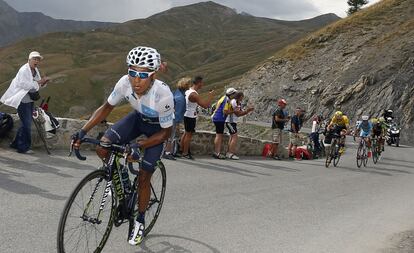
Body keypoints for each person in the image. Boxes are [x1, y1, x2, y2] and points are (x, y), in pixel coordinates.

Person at [72, 46, 174, 246]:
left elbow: (166, 133)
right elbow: (106, 108)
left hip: (157, 131)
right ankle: (123, 180)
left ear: (152, 76)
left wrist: (139, 145)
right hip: (137, 119)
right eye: (132, 73)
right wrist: (82, 132)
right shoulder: (123, 84)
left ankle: (140, 219)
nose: (136, 80)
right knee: (102, 147)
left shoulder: (163, 94)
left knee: (144, 176)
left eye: (142, 75)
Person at [0, 51, 50, 154]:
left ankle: (16, 143)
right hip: (22, 101)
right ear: (29, 60)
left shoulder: (35, 70)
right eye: (34, 59)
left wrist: (43, 83)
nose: (36, 61)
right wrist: (39, 82)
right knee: (27, 124)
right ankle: (23, 147)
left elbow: (36, 86)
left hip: (30, 100)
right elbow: (25, 85)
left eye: (38, 59)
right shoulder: (24, 70)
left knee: (25, 123)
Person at [179, 76, 214, 159]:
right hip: (190, 115)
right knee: (189, 135)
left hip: (186, 113)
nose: (203, 84)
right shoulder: (194, 94)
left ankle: (181, 149)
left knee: (186, 133)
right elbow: (205, 105)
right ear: (199, 83)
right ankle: (185, 153)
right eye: (202, 83)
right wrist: (211, 96)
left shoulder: (188, 91)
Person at [163, 77, 191, 160]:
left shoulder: (176, 92)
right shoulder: (181, 98)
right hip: (174, 118)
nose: (190, 86)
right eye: (189, 84)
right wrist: (178, 122)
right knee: (171, 136)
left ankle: (171, 151)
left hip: (169, 116)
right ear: (186, 86)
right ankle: (167, 152)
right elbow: (178, 111)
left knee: (171, 136)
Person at [224, 91, 254, 160]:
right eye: (242, 97)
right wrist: (247, 111)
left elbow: (240, 113)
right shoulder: (234, 101)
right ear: (239, 96)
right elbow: (238, 113)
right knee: (235, 137)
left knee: (232, 137)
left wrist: (247, 111)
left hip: (233, 122)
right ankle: (231, 153)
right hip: (230, 121)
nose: (242, 99)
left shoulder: (238, 103)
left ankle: (229, 153)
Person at [211, 87, 237, 159]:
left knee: (218, 135)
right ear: (231, 94)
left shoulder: (224, 97)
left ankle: (216, 152)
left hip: (217, 118)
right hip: (219, 118)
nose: (235, 95)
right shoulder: (227, 100)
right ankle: (217, 153)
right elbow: (225, 111)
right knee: (219, 135)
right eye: (234, 94)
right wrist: (234, 111)